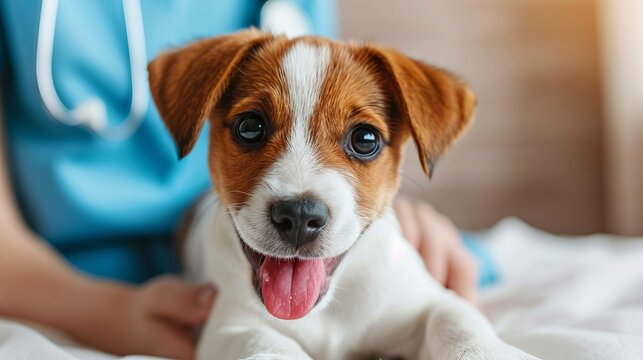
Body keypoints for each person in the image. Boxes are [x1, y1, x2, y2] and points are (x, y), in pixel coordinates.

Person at [0, 1, 479, 358]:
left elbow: (436, 314)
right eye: (253, 129)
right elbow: (232, 335)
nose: (301, 198)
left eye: (364, 141)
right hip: (76, 271)